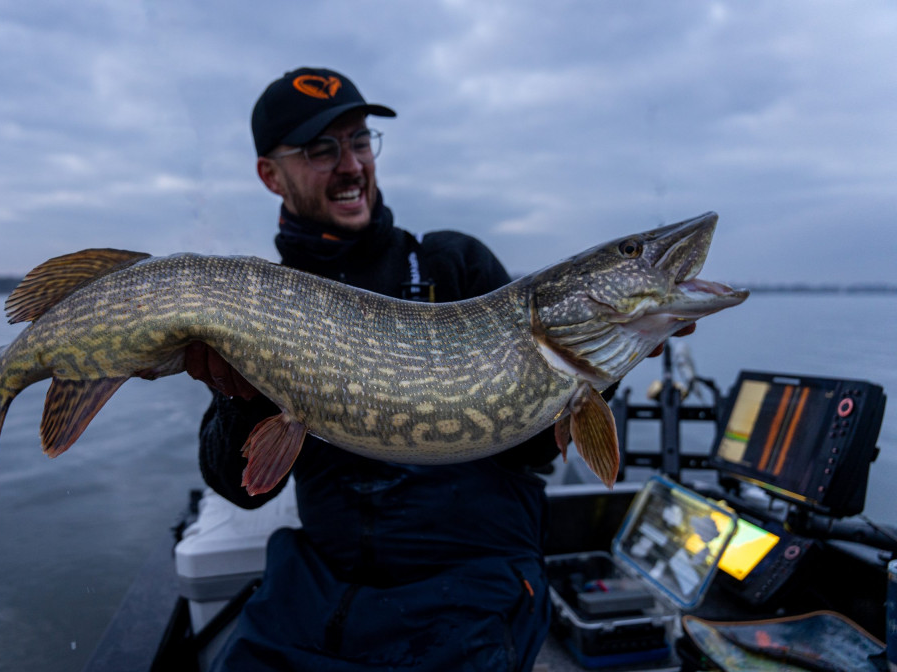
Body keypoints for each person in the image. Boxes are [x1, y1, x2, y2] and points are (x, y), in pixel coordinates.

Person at [185, 66, 688, 671]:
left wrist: (601, 362)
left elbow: (528, 455)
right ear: (271, 174)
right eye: (321, 149)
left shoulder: (453, 264)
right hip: (326, 584)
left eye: (360, 141)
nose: (351, 165)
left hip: (473, 575)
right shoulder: (262, 301)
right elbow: (234, 489)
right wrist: (242, 395)